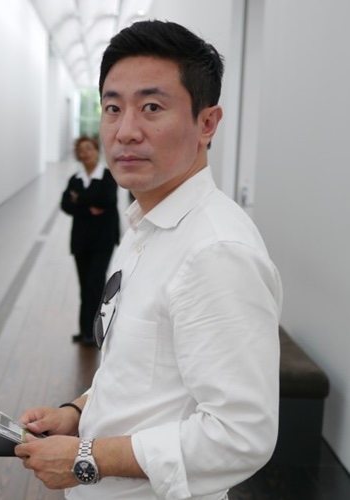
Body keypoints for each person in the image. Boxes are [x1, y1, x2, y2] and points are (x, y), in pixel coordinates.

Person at [15, 20, 282, 500]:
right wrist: (76, 413)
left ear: (207, 123)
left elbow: (241, 436)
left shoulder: (215, 252)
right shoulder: (145, 226)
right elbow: (137, 371)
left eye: (152, 108)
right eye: (113, 108)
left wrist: (87, 457)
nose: (125, 132)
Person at [60, 136, 120, 346]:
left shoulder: (107, 176)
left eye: (89, 148)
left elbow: (107, 201)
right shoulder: (75, 179)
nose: (85, 153)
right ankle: (85, 330)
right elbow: (65, 205)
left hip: (103, 240)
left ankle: (97, 333)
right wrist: (88, 208)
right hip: (81, 241)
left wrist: (80, 200)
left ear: (96, 150)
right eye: (81, 150)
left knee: (95, 284)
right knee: (84, 286)